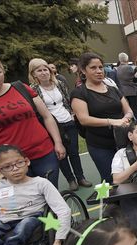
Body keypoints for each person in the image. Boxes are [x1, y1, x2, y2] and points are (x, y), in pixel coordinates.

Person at [0, 53, 65, 187]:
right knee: (28, 201)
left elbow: (47, 116)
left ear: (3, 72)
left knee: (50, 192)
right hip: (11, 163)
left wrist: (58, 142)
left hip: (43, 153)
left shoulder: (20, 88)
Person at [28, 58, 92, 191]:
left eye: (45, 69)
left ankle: (80, 177)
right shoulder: (33, 89)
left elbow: (67, 100)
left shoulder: (59, 83)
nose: (43, 72)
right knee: (61, 153)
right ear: (34, 74)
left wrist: (72, 114)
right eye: (39, 70)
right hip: (53, 126)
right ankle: (71, 180)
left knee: (74, 152)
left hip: (68, 121)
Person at [71, 52, 134, 183]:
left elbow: (128, 110)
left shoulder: (113, 89)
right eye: (93, 68)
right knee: (112, 180)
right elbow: (84, 119)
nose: (99, 71)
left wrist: (126, 118)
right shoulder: (79, 93)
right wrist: (113, 122)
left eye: (100, 67)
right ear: (83, 70)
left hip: (123, 141)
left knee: (131, 177)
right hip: (100, 145)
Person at [116, 52, 137, 119]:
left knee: (128, 109)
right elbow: (134, 78)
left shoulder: (118, 68)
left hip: (123, 92)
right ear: (127, 59)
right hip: (131, 91)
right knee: (135, 109)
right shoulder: (129, 68)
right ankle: (136, 120)